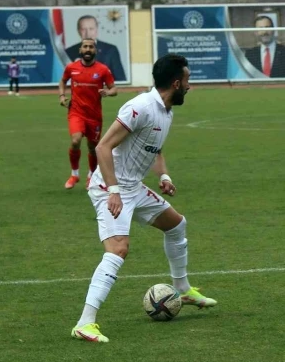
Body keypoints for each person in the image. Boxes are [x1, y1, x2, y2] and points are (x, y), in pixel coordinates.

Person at [71, 54, 217, 343]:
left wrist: (164, 177)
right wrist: (113, 191)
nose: (189, 86)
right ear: (175, 83)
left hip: (133, 187)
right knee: (117, 250)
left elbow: (155, 150)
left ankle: (183, 289)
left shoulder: (166, 111)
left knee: (176, 224)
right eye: (187, 80)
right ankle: (84, 323)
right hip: (108, 187)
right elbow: (102, 148)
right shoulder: (140, 107)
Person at [59, 39, 118, 190]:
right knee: (75, 140)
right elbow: (63, 81)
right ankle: (74, 174)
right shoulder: (71, 67)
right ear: (80, 50)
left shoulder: (103, 70)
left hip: (94, 116)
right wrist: (61, 96)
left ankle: (91, 176)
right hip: (76, 112)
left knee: (93, 148)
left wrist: (107, 92)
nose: (87, 49)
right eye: (85, 46)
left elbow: (114, 89)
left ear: (95, 51)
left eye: (91, 47)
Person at [65, 15, 127, 82]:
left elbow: (121, 79)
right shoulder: (69, 52)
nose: (88, 33)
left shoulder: (110, 50)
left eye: (91, 29)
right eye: (83, 29)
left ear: (96, 29)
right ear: (78, 31)